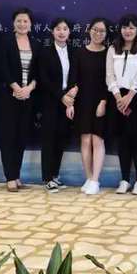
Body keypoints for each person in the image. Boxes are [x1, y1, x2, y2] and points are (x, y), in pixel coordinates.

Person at [106, 14, 137, 195]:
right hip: (117, 98)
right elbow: (109, 75)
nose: (128, 31)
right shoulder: (112, 49)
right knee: (123, 140)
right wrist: (118, 97)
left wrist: (129, 96)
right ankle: (124, 179)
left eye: (132, 27)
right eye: (125, 27)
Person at [0, 7, 40, 192]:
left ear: (30, 24)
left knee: (21, 137)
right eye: (19, 21)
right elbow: (2, 67)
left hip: (28, 97)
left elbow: (39, 72)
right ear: (13, 23)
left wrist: (29, 88)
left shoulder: (36, 44)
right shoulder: (5, 41)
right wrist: (15, 87)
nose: (22, 24)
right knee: (8, 136)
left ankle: (16, 174)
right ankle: (10, 177)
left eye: (25, 21)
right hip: (9, 96)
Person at [67, 18, 109, 195]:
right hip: (82, 101)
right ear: (89, 30)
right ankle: (89, 177)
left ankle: (96, 180)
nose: (98, 33)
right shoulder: (79, 53)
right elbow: (73, 79)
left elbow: (111, 80)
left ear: (106, 34)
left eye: (102, 31)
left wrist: (104, 101)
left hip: (101, 102)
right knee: (85, 140)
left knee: (97, 140)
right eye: (95, 29)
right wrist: (70, 102)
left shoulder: (109, 53)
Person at [37, 17, 77, 193]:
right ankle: (47, 178)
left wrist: (71, 94)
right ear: (52, 31)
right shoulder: (45, 52)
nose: (62, 32)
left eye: (65, 29)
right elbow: (43, 79)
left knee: (61, 139)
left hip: (68, 101)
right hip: (50, 101)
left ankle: (55, 175)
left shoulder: (74, 52)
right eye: (58, 29)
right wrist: (61, 96)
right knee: (49, 140)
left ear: (69, 32)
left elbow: (76, 75)